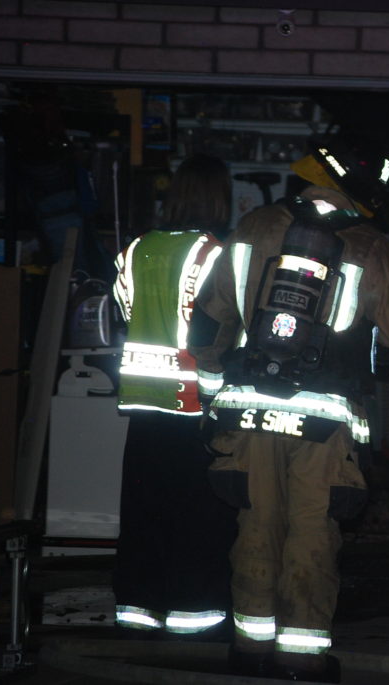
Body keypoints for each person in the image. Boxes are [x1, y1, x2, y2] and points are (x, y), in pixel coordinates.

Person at [188, 131, 389, 682]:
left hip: (249, 409)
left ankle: (251, 648)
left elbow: (209, 322)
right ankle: (301, 656)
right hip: (324, 419)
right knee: (312, 529)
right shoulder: (369, 245)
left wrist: (215, 396)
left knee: (256, 523)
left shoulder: (253, 226)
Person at [111, 153, 238, 638]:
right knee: (197, 513)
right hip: (195, 405)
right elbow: (221, 332)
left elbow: (125, 311)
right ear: (219, 198)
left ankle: (137, 608)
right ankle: (194, 612)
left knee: (143, 507)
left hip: (142, 401)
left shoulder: (136, 248)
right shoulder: (216, 254)